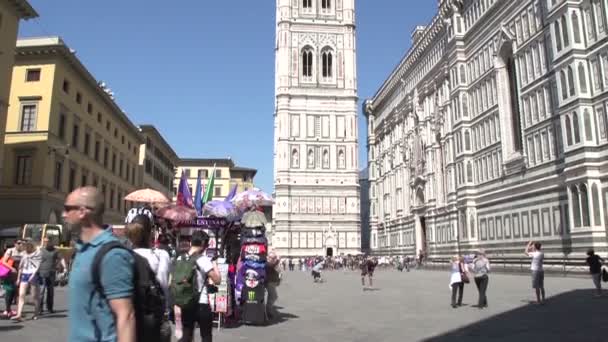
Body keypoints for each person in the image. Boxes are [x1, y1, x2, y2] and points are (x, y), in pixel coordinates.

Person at [64, 186, 136, 341]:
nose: (64, 214)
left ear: (83, 212)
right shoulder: (82, 248)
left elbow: (126, 316)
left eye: (68, 209)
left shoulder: (112, 255)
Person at [174, 230, 220, 342]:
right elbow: (217, 280)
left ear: (191, 242)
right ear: (204, 244)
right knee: (206, 336)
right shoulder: (203, 260)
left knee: (187, 334)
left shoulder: (180, 259)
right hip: (202, 303)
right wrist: (214, 263)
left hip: (185, 303)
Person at [12, 238, 42, 321]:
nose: (24, 246)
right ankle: (19, 314)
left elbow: (37, 266)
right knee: (21, 295)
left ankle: (36, 313)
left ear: (30, 245)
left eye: (26, 244)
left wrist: (33, 275)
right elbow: (21, 267)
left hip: (33, 275)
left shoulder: (37, 253)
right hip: (24, 274)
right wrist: (18, 278)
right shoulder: (24, 254)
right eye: (24, 245)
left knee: (34, 296)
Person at [37, 237, 67, 315]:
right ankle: (39, 309)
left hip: (51, 273)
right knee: (41, 291)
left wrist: (65, 268)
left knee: (50, 291)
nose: (46, 243)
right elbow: (35, 260)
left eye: (47, 241)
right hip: (41, 273)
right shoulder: (40, 250)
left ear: (50, 242)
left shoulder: (55, 251)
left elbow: (62, 259)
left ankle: (49, 308)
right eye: (44, 241)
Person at [1, 239, 24, 318]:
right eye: (19, 243)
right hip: (10, 273)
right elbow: (3, 261)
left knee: (16, 293)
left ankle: (16, 311)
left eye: (22, 243)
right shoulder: (10, 251)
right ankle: (7, 310)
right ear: (15, 244)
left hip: (19, 274)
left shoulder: (23, 252)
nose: (20, 244)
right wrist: (11, 268)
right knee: (9, 291)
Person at [265, 251, 281, 320]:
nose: (273, 259)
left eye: (274, 258)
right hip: (269, 282)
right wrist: (277, 260)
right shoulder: (267, 263)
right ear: (268, 257)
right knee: (273, 296)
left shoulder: (271, 263)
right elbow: (270, 266)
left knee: (272, 296)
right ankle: (268, 310)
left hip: (272, 282)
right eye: (271, 257)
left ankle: (268, 310)